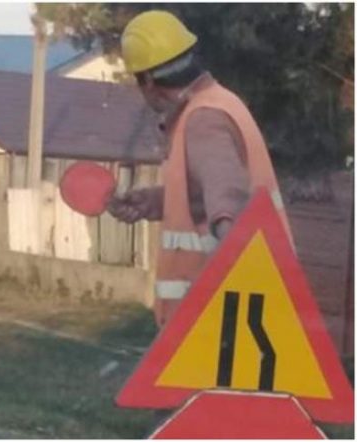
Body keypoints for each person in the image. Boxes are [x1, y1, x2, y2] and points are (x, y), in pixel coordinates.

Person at [107, 10, 290, 328]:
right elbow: (207, 191)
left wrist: (231, 242)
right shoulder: (222, 102)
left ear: (148, 81)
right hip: (241, 314)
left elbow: (226, 191)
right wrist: (153, 202)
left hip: (222, 323)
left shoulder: (203, 119)